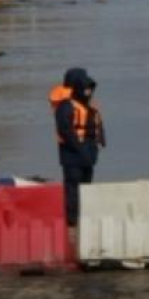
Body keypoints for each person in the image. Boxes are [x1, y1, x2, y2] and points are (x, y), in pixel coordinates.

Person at [52, 68, 105, 225]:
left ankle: (83, 218)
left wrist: (96, 147)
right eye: (85, 86)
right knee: (73, 190)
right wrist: (79, 148)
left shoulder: (89, 106)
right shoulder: (65, 106)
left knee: (86, 188)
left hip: (88, 154)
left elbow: (98, 127)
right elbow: (65, 130)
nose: (88, 90)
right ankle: (72, 221)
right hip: (72, 156)